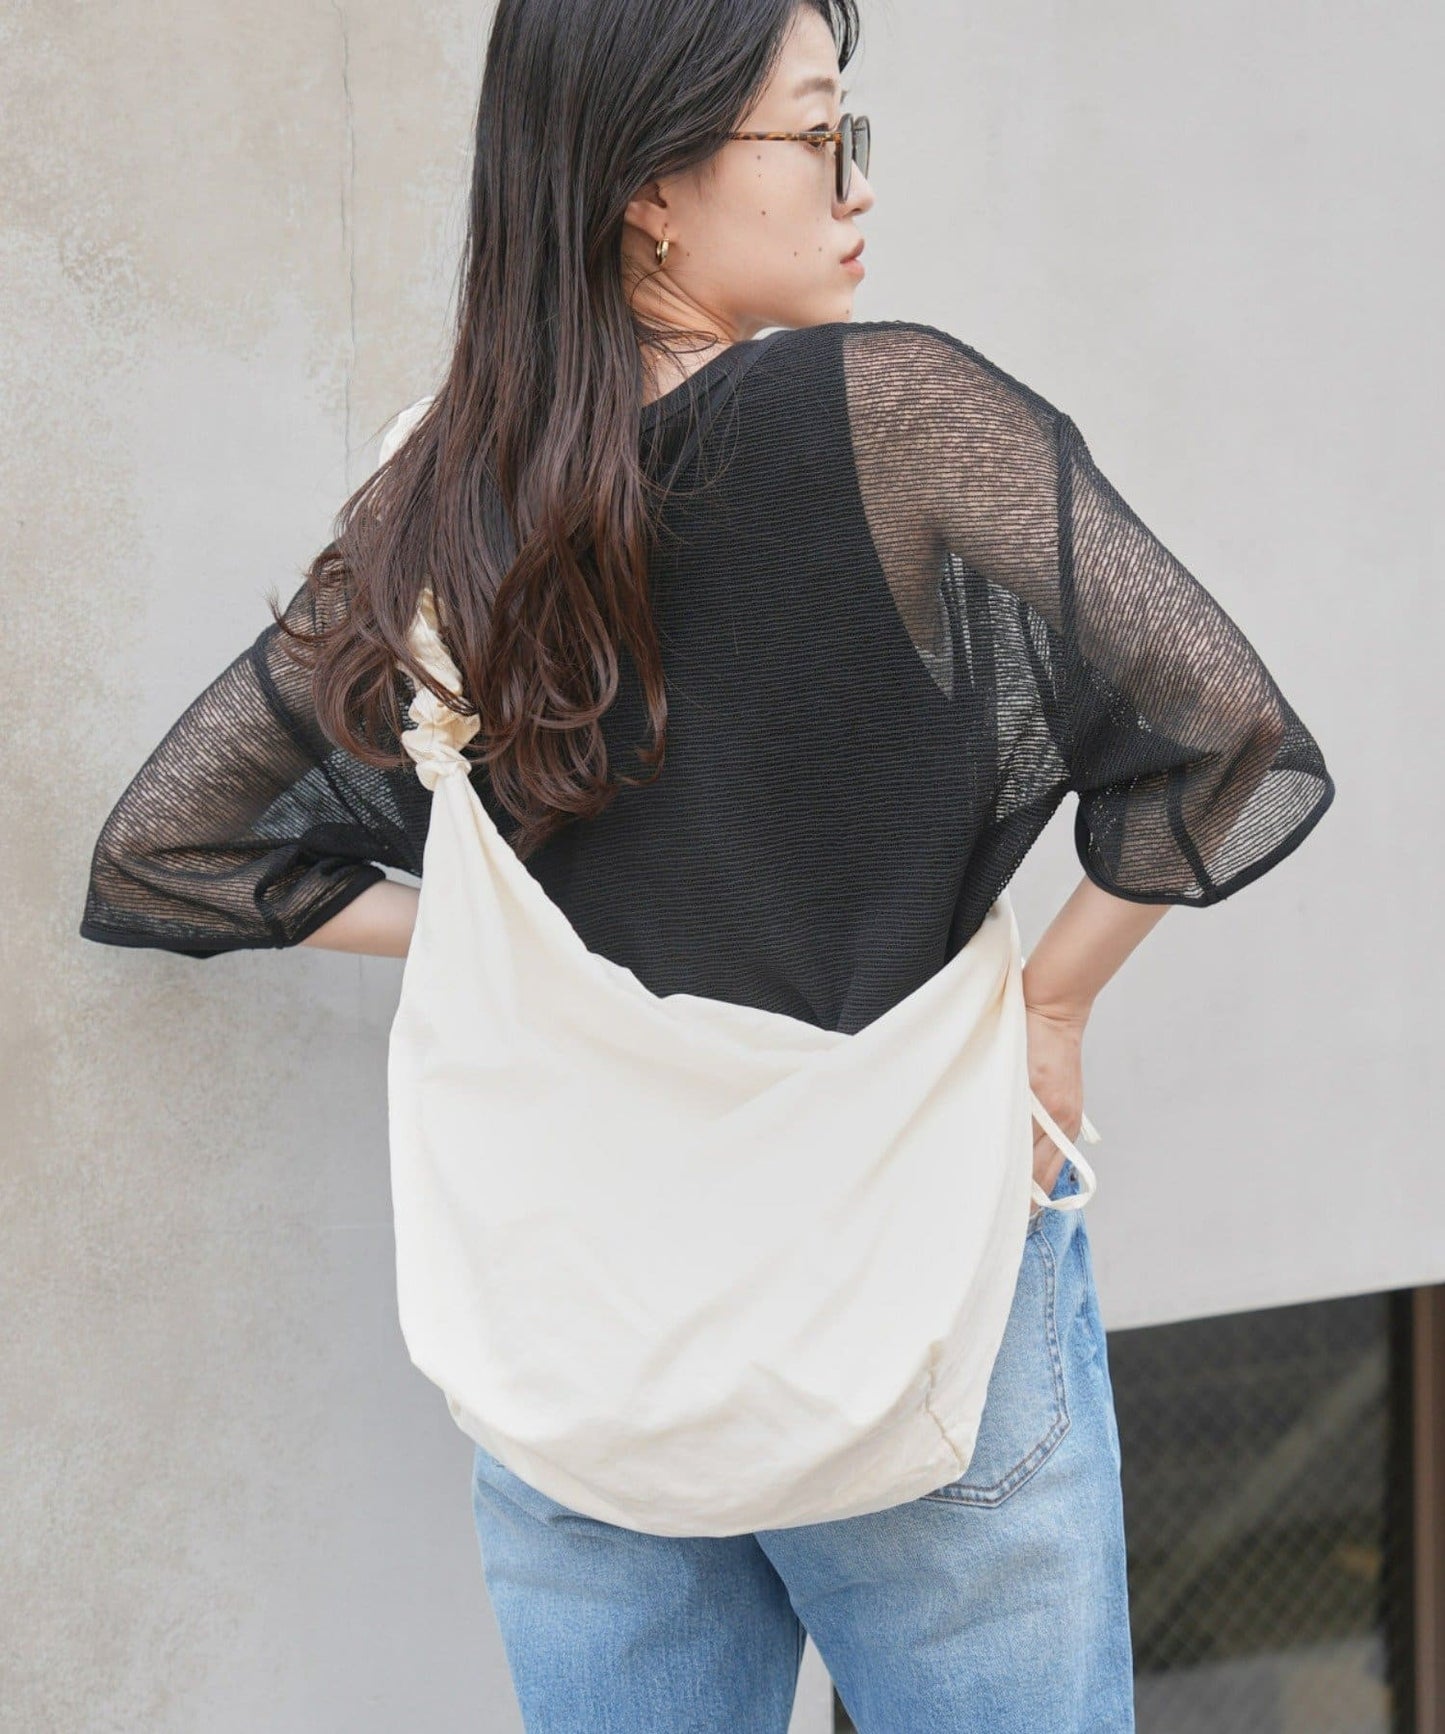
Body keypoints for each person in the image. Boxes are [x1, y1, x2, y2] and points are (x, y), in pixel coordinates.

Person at [78, 0, 1336, 1728]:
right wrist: (1050, 1008)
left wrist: (492, 936)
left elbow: (175, 846)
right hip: (907, 1302)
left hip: (585, 1355)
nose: (854, 185)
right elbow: (1229, 731)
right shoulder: (895, 415)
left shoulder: (440, 498)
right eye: (817, 134)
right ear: (648, 190)